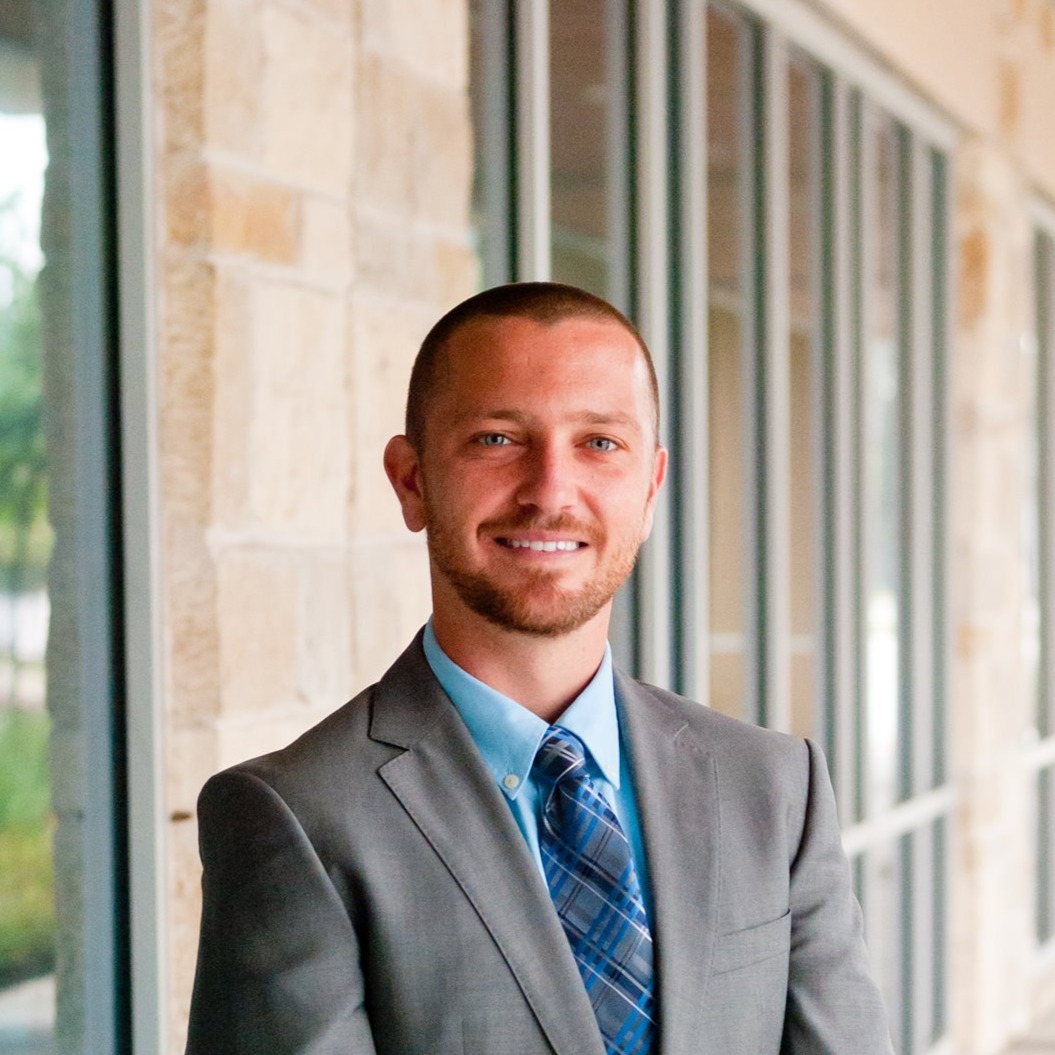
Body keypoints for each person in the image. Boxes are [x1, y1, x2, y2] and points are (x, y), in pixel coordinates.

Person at [185, 282, 892, 1055]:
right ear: (412, 480)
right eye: (497, 439)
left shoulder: (776, 790)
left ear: (650, 488)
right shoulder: (297, 817)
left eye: (599, 442)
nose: (551, 490)